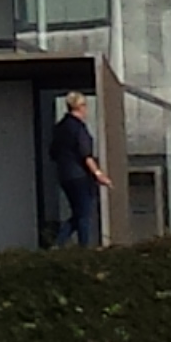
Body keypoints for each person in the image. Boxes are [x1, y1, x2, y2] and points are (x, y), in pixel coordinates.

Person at [47, 93, 105, 249]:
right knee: (84, 214)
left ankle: (58, 244)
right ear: (80, 107)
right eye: (85, 105)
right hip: (80, 175)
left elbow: (52, 152)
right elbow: (85, 154)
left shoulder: (59, 128)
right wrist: (98, 174)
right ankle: (83, 248)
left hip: (64, 175)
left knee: (78, 212)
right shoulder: (78, 128)